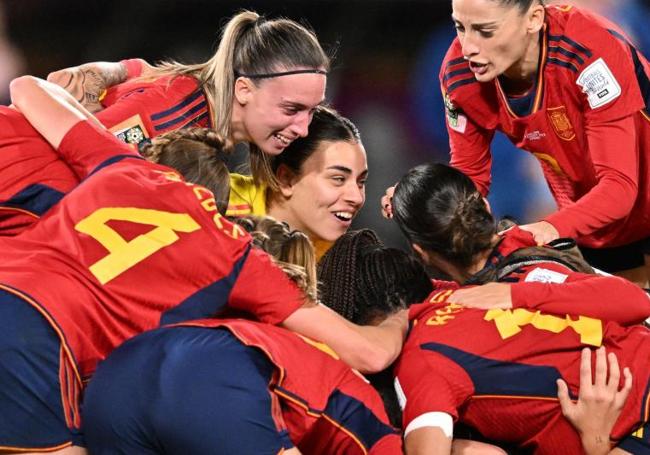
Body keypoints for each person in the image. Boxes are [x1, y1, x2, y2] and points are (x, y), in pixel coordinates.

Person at [0, 76, 405, 454]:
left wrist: (111, 84)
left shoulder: (128, 168)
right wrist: (401, 316)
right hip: (41, 337)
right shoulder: (234, 252)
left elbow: (28, 87)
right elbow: (367, 354)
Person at [389, 162, 650, 453]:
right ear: (486, 208)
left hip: (635, 409)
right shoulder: (512, 251)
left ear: (421, 253)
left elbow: (636, 302)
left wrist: (517, 295)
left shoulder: (527, 267)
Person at [82, 218, 402, 455]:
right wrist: (404, 316)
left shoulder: (218, 325)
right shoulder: (359, 398)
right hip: (214, 381)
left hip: (115, 375)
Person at [0, 10, 328, 235]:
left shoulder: (186, 92)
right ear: (243, 89)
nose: (302, 128)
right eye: (291, 109)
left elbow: (133, 68)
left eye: (311, 112)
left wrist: (110, 72)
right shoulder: (170, 122)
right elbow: (75, 162)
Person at [431, 0, 650, 284]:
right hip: (599, 227)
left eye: (486, 31)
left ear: (533, 18)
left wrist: (545, 228)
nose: (469, 47)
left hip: (623, 198)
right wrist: (428, 197)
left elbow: (619, 187)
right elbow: (470, 179)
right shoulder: (460, 76)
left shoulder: (588, 53)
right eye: (461, 27)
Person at [228, 105, 367, 260]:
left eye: (361, 182)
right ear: (286, 179)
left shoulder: (345, 263)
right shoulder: (212, 203)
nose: (357, 198)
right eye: (338, 179)